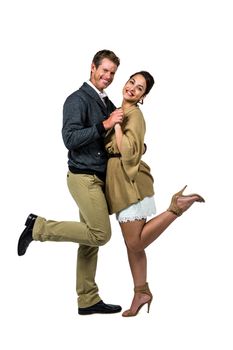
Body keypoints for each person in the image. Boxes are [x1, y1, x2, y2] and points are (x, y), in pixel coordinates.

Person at [17, 49, 124, 315]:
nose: (108, 76)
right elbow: (70, 139)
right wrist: (104, 124)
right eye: (105, 70)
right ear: (92, 68)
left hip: (97, 177)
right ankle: (38, 228)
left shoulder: (104, 100)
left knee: (89, 241)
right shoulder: (76, 99)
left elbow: (115, 134)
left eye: (112, 73)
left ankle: (87, 299)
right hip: (82, 178)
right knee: (101, 234)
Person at [105, 71, 205, 317]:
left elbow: (128, 151)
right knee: (134, 248)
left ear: (143, 96)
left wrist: (116, 124)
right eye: (131, 82)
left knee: (135, 242)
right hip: (122, 183)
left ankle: (176, 207)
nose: (132, 88)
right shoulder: (121, 109)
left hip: (131, 184)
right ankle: (141, 292)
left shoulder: (134, 116)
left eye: (139, 88)